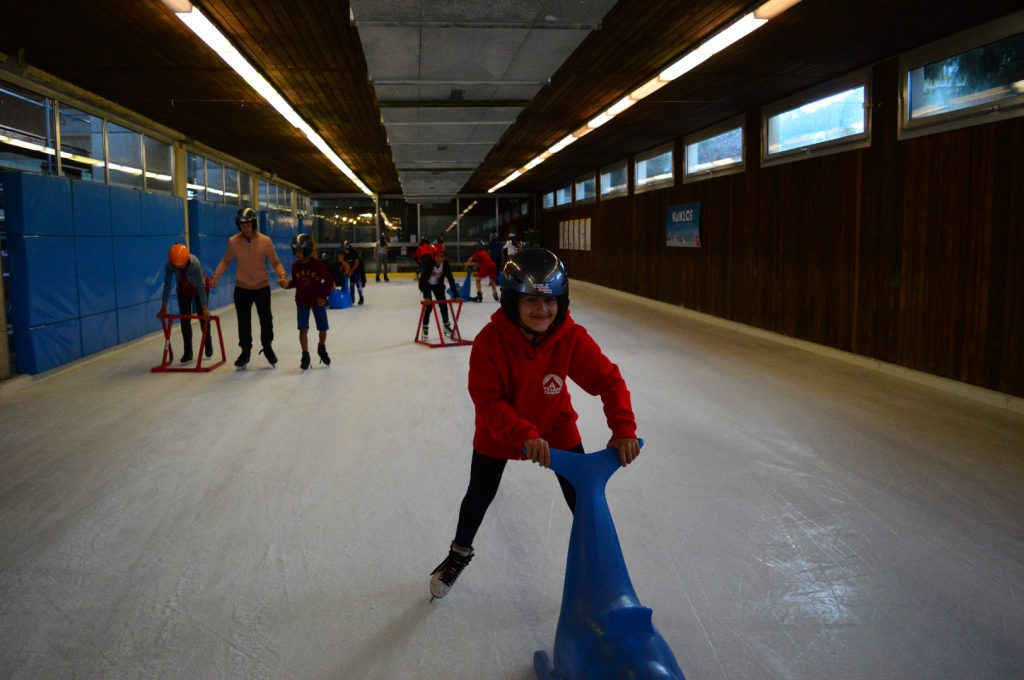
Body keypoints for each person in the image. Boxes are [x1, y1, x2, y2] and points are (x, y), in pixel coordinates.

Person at [428, 248, 640, 600]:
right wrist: (523, 433)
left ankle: (602, 567)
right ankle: (458, 554)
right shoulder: (489, 342)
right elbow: (488, 401)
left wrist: (623, 428)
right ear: (512, 302)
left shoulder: (569, 336)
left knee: (583, 495)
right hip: (500, 430)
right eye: (531, 301)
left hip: (555, 424)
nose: (544, 311)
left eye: (552, 301)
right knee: (480, 493)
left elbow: (609, 380)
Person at [210, 207, 288, 368]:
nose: (246, 227)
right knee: (243, 322)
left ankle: (267, 346)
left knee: (266, 320)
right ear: (239, 225)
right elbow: (226, 260)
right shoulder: (233, 242)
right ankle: (245, 350)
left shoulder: (265, 241)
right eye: (243, 224)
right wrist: (215, 277)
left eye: (248, 224)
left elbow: (275, 262)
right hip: (242, 288)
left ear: (254, 223)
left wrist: (282, 276)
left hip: (261, 287)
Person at [279, 234, 334, 370]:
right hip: (302, 301)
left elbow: (329, 281)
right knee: (303, 328)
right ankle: (305, 355)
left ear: (307, 250)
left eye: (299, 251)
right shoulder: (295, 266)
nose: (297, 254)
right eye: (295, 251)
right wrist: (287, 285)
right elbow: (297, 283)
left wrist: (323, 296)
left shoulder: (317, 264)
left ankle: (321, 348)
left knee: (323, 328)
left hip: (317, 301)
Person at [158, 243, 212, 364]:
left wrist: (204, 308)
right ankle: (188, 351)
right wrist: (164, 307)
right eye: (177, 266)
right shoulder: (170, 264)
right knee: (185, 319)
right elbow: (167, 285)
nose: (180, 268)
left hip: (200, 288)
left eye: (182, 266)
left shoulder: (195, 263)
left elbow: (201, 286)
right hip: (183, 290)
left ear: (186, 260)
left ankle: (207, 341)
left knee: (203, 317)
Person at [419, 245, 459, 340]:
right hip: (426, 284)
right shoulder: (429, 263)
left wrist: (456, 295)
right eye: (438, 257)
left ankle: (446, 325)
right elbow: (424, 280)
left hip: (438, 284)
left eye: (442, 256)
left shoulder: (445, 264)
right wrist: (426, 296)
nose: (440, 259)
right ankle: (425, 327)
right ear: (433, 256)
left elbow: (451, 279)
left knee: (443, 304)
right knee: (429, 306)